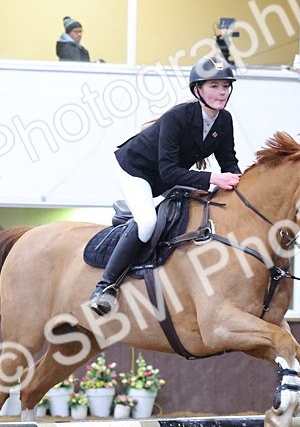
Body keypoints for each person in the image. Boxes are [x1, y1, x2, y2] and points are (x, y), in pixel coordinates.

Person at [87, 55, 242, 315]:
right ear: (198, 90)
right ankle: (105, 287)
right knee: (147, 222)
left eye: (225, 86)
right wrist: (213, 178)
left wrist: (243, 185)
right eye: (214, 86)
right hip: (136, 169)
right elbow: (169, 172)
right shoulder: (177, 117)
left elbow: (229, 161)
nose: (222, 92)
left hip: (166, 176)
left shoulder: (223, 121)